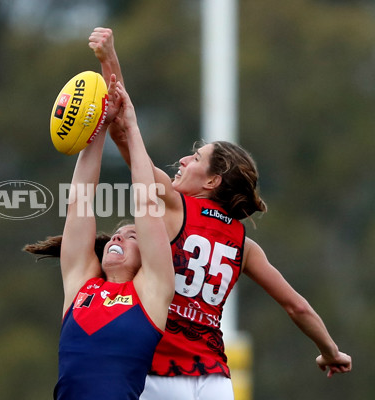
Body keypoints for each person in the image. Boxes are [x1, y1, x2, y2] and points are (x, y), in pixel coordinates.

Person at [88, 27, 352, 400]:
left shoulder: (174, 207)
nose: (183, 160)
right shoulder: (244, 245)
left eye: (195, 158)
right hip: (215, 382)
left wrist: (107, 59)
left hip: (157, 374)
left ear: (212, 181)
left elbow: (123, 131)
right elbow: (297, 306)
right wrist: (330, 351)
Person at [25, 75, 174, 400]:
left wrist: (131, 127)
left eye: (131, 235)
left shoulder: (151, 292)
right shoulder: (81, 284)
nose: (117, 238)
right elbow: (79, 199)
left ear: (145, 256)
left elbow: (147, 202)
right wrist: (97, 128)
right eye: (115, 235)